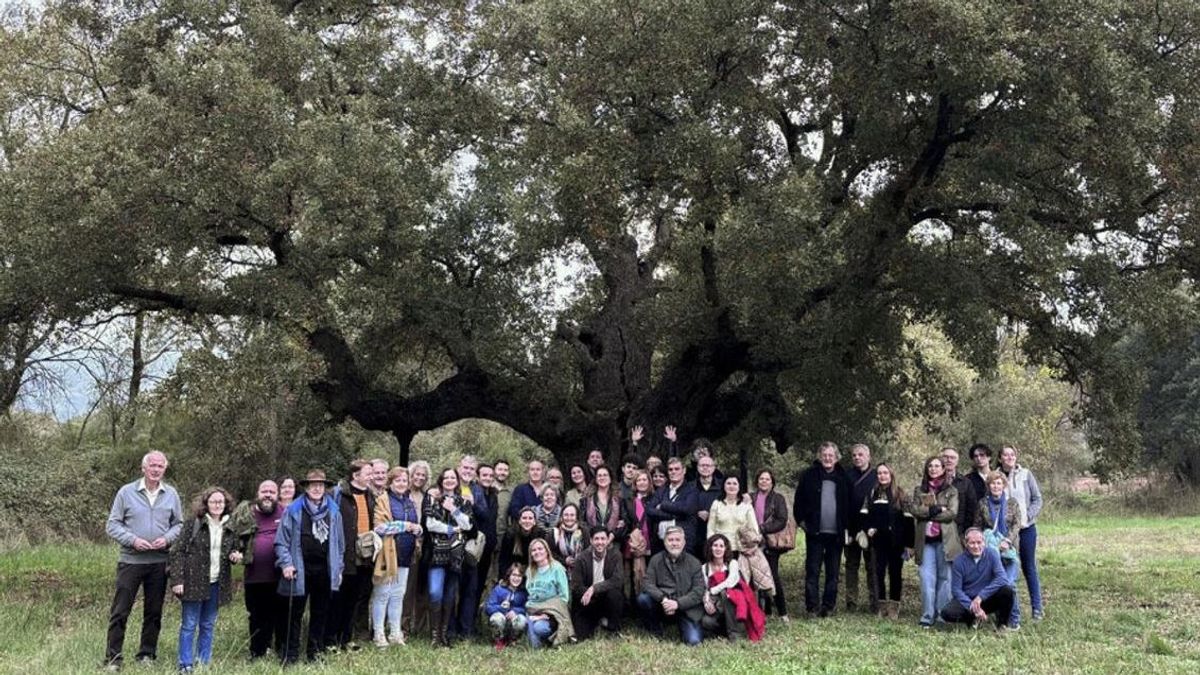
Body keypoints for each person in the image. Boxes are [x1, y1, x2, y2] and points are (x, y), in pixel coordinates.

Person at [103, 450, 183, 669]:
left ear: (164, 469)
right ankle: (113, 658)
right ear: (144, 468)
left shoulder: (171, 494)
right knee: (120, 610)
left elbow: (179, 524)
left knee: (154, 611)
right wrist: (132, 540)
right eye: (153, 466)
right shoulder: (126, 492)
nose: (156, 470)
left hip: (159, 562)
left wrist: (167, 539)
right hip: (131, 561)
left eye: (160, 466)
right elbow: (112, 525)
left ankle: (146, 654)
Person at [275, 469, 345, 665]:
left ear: (325, 488)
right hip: (299, 569)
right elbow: (281, 542)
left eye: (320, 485)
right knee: (294, 614)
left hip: (324, 569)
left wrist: (338, 568)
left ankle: (314, 653)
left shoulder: (333, 511)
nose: (316, 488)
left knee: (320, 612)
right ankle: (291, 654)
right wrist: (287, 564)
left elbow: (340, 544)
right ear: (306, 487)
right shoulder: (294, 510)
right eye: (312, 485)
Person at [170, 487, 242, 673]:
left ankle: (203, 661)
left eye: (221, 501)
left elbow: (235, 549)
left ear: (226, 504)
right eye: (213, 501)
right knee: (189, 624)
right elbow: (177, 551)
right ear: (206, 503)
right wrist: (177, 580)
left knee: (208, 624)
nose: (217, 505)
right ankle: (185, 663)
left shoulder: (230, 525)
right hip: (193, 581)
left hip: (217, 582)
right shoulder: (193, 523)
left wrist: (236, 555)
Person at [230, 479, 286, 660]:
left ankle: (279, 650)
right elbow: (232, 537)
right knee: (256, 616)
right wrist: (235, 552)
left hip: (279, 575)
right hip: (254, 576)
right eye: (264, 491)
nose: (268, 494)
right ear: (258, 494)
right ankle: (257, 652)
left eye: (272, 491)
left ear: (277, 495)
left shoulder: (284, 512)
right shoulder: (246, 514)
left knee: (278, 615)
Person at [793, 442, 850, 618]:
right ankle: (812, 607)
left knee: (833, 573)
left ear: (836, 457)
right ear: (820, 456)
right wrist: (803, 523)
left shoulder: (843, 477)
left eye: (831, 455)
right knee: (812, 571)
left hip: (836, 534)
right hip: (815, 533)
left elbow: (850, 505)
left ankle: (828, 606)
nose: (827, 458)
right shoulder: (809, 476)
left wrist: (848, 527)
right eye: (824, 454)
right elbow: (798, 502)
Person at [370, 466, 422, 647]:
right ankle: (378, 633)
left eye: (404, 481)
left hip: (406, 554)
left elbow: (416, 525)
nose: (402, 484)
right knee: (382, 594)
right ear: (390, 482)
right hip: (387, 554)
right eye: (398, 480)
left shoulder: (409, 501)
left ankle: (395, 632)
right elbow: (379, 527)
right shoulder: (383, 500)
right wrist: (404, 526)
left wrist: (418, 529)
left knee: (398, 595)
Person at [908, 455, 960, 628]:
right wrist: (936, 509)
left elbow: (951, 513)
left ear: (943, 469)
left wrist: (929, 511)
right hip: (926, 542)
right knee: (926, 578)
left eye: (937, 466)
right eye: (930, 466)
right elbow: (915, 509)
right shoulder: (919, 490)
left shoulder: (951, 490)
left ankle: (942, 616)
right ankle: (927, 615)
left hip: (945, 541)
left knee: (945, 578)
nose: (933, 469)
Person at [333, 459, 378, 650]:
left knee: (355, 598)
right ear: (355, 475)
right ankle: (332, 640)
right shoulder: (339, 495)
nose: (372, 477)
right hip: (345, 556)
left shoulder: (370, 495)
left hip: (365, 557)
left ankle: (346, 639)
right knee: (339, 599)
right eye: (368, 473)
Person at [424, 468, 472, 647]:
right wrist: (451, 529)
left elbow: (467, 525)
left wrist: (453, 509)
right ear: (441, 480)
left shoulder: (463, 501)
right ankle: (434, 635)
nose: (450, 480)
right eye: (446, 477)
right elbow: (430, 524)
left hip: (455, 554)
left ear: (458, 481)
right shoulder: (432, 498)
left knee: (450, 595)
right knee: (435, 592)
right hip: (436, 553)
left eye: (453, 477)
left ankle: (444, 635)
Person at [638, 526, 705, 646]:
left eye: (677, 540)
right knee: (643, 599)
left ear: (684, 542)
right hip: (662, 605)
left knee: (694, 641)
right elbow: (647, 583)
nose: (674, 543)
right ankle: (655, 629)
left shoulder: (694, 562)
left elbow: (698, 591)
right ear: (665, 542)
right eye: (670, 540)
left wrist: (677, 604)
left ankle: (683, 625)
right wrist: (663, 599)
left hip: (685, 609)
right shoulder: (656, 560)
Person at [1000, 445, 1044, 621]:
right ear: (1000, 458)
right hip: (1006, 531)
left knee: (1029, 566)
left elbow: (1037, 498)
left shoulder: (1025, 474)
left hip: (1026, 529)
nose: (1009, 457)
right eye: (1006, 454)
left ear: (1016, 457)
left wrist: (1029, 515)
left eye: (1012, 454)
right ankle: (1008, 609)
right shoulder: (996, 476)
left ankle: (1037, 608)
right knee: (1007, 567)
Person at [941, 529, 1015, 629]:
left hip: (986, 598)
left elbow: (1002, 578)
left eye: (979, 542)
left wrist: (980, 596)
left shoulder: (992, 554)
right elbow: (956, 590)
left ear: (984, 542)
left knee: (1008, 591)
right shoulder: (959, 561)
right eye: (972, 543)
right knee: (946, 613)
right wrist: (972, 607)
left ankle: (1002, 625)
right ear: (966, 544)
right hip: (968, 600)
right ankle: (973, 619)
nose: (976, 546)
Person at [975, 470, 1022, 629]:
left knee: (1009, 584)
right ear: (988, 486)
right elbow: (978, 526)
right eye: (992, 483)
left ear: (1004, 485)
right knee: (995, 586)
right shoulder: (982, 503)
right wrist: (982, 542)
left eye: (999, 483)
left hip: (1009, 550)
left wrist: (1007, 541)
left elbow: (1017, 524)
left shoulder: (1012, 503)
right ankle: (1001, 619)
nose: (996, 486)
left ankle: (1014, 620)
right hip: (991, 551)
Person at [863, 463, 909, 619]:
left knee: (895, 574)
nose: (882, 476)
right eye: (879, 473)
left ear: (891, 474)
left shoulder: (900, 493)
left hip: (897, 541)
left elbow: (908, 521)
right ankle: (881, 607)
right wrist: (868, 527)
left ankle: (894, 607)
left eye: (885, 473)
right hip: (878, 541)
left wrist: (909, 544)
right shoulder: (872, 493)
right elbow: (865, 515)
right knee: (879, 573)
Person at [700, 534, 765, 642]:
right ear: (710, 548)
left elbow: (730, 582)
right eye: (715, 545)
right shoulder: (705, 568)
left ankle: (734, 634)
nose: (718, 548)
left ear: (726, 549)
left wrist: (713, 590)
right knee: (706, 622)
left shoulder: (732, 563)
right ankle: (723, 630)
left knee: (726, 593)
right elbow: (704, 588)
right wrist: (707, 602)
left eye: (721, 546)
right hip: (716, 603)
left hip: (734, 603)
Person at [569, 526, 626, 640]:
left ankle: (613, 627)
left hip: (606, 598)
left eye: (603, 539)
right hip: (588, 601)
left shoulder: (615, 555)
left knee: (615, 594)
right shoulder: (581, 558)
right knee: (581, 636)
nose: (600, 542)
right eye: (596, 539)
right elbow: (576, 586)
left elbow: (618, 580)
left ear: (607, 540)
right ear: (591, 540)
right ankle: (597, 621)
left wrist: (594, 588)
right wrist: (590, 593)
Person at [751, 469, 791, 622]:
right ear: (757, 481)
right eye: (761, 479)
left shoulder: (778, 498)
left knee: (772, 576)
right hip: (753, 542)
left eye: (767, 479)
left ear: (772, 482)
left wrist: (763, 529)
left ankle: (782, 612)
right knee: (755, 576)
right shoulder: (751, 497)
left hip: (770, 543)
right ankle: (763, 611)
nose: (764, 481)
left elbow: (782, 520)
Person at [843, 443, 878, 612]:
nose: (857, 457)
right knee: (851, 566)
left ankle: (875, 602)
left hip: (871, 529)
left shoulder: (877, 476)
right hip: (851, 528)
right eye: (854, 455)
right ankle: (851, 603)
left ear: (868, 457)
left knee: (872, 566)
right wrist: (847, 529)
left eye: (861, 455)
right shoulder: (846, 475)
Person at [525, 538, 573, 648]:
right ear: (531, 554)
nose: (537, 552)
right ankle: (537, 647)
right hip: (533, 609)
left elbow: (564, 597)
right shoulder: (529, 570)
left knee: (539, 628)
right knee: (527, 622)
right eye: (534, 550)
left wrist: (546, 615)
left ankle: (552, 638)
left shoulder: (557, 568)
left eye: (540, 549)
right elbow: (530, 594)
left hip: (553, 611)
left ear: (547, 551)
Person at [648, 457, 700, 556]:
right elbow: (650, 510)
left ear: (684, 470)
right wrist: (673, 515)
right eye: (670, 469)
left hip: (684, 543)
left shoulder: (692, 490)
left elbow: (686, 509)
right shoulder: (661, 490)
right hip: (660, 543)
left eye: (677, 469)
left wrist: (663, 505)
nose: (673, 472)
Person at [401, 460, 430, 637]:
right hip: (407, 545)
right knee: (406, 588)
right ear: (410, 476)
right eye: (416, 474)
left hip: (425, 546)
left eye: (423, 475)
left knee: (422, 588)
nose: (419, 478)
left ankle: (419, 628)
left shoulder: (427, 496)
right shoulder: (403, 495)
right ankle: (403, 626)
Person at [623, 469, 655, 601]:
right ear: (635, 483)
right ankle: (633, 603)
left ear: (649, 481)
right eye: (639, 480)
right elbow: (626, 520)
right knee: (633, 573)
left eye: (644, 479)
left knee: (649, 573)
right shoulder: (629, 500)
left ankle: (648, 602)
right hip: (634, 542)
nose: (642, 483)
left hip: (651, 541)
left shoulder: (655, 498)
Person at [706, 475, 758, 552]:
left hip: (742, 549)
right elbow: (711, 528)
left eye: (735, 484)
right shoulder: (716, 503)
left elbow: (754, 527)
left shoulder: (746, 505)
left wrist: (752, 546)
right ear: (724, 486)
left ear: (739, 486)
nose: (731, 486)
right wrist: (712, 545)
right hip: (721, 549)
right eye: (728, 483)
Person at [485, 564, 528, 651]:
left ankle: (513, 639)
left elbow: (527, 608)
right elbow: (488, 607)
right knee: (497, 619)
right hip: (501, 617)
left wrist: (515, 611)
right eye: (514, 575)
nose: (516, 578)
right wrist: (501, 608)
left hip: (514, 619)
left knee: (522, 620)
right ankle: (499, 640)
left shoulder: (523, 592)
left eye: (519, 576)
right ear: (509, 576)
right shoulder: (499, 589)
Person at [940, 447, 978, 545]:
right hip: (937, 532)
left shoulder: (966, 483)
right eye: (946, 457)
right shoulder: (932, 482)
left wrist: (966, 531)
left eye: (952, 458)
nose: (949, 460)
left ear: (957, 461)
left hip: (958, 532)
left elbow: (972, 509)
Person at [584, 465, 629, 546]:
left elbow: (624, 522)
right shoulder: (586, 499)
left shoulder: (619, 499)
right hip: (591, 542)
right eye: (599, 475)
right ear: (596, 479)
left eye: (605, 475)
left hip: (614, 542)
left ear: (610, 478)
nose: (602, 478)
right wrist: (595, 536)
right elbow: (582, 522)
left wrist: (612, 535)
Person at [498, 506, 547, 574]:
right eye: (524, 518)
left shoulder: (541, 535)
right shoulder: (510, 535)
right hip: (515, 571)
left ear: (534, 522)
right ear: (519, 521)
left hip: (534, 570)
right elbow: (503, 560)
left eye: (530, 518)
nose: (527, 521)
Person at [692, 454, 723, 557]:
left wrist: (711, 514)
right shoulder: (689, 486)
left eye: (708, 465)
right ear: (697, 467)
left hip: (716, 533)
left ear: (714, 468)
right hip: (694, 533)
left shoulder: (722, 487)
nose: (705, 468)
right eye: (702, 465)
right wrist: (696, 513)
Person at [550, 503, 586, 572]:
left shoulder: (584, 531)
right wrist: (564, 560)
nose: (569, 518)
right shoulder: (554, 533)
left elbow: (588, 551)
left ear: (576, 517)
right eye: (566, 515)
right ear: (561, 517)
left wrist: (578, 560)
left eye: (572, 515)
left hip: (581, 570)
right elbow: (549, 553)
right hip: (560, 570)